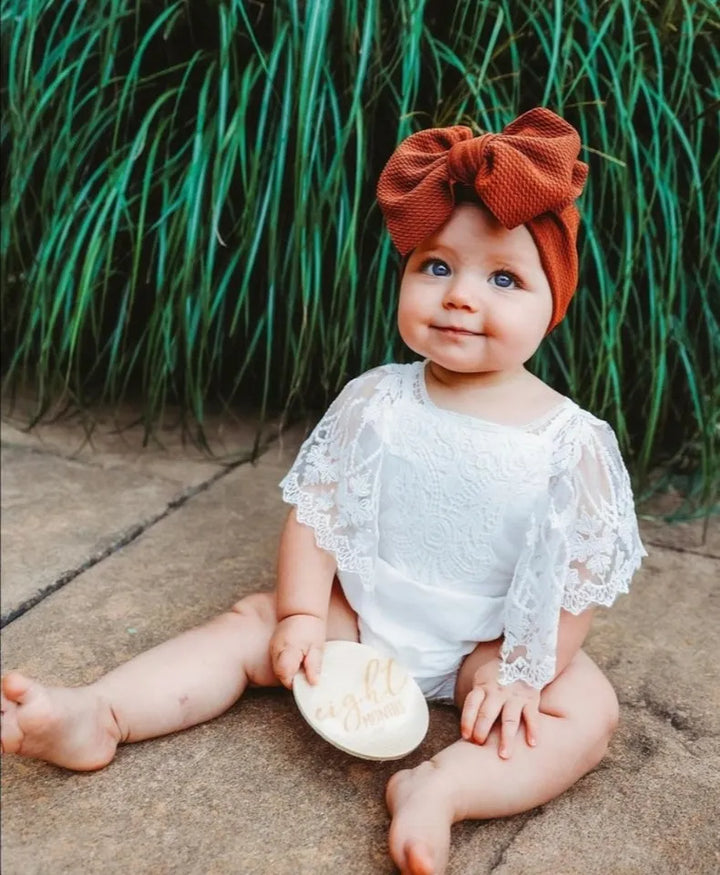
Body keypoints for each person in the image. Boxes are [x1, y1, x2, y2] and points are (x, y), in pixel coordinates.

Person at [1, 108, 645, 875]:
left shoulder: (569, 441)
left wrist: (524, 667)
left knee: (587, 712)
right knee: (251, 623)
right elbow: (319, 511)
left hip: (488, 646)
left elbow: (580, 573)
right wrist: (306, 614)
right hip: (360, 614)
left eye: (503, 277)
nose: (460, 295)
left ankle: (442, 789)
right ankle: (100, 713)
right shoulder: (376, 399)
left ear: (554, 301)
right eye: (435, 266)